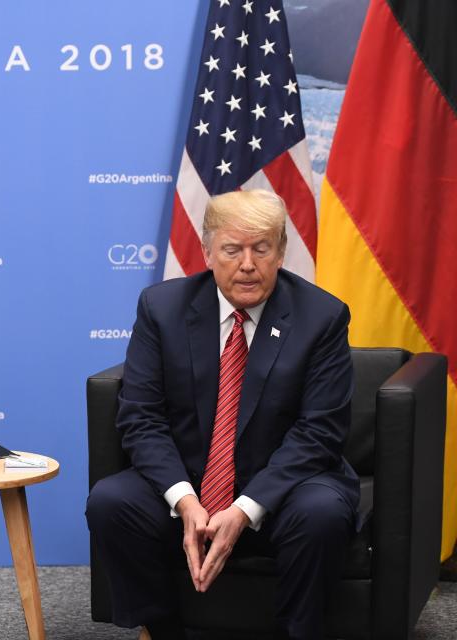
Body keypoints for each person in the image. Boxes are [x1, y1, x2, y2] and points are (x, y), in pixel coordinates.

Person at [86, 190, 359, 640]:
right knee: (111, 502)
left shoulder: (322, 317)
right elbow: (141, 417)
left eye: (262, 249)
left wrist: (245, 508)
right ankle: (165, 629)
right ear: (208, 253)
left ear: (281, 253)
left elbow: (319, 432)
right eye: (233, 250)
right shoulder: (162, 309)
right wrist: (185, 500)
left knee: (322, 513)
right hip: (192, 481)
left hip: (285, 488)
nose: (247, 264)